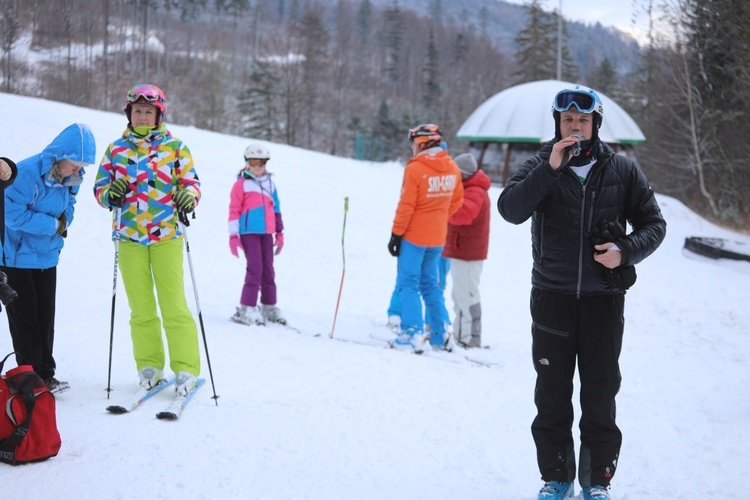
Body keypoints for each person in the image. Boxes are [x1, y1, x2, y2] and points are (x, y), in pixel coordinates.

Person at [497, 85, 666, 500]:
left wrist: (625, 252)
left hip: (603, 301)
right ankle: (556, 478)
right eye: (568, 120)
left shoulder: (622, 170)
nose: (575, 126)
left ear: (595, 125)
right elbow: (510, 210)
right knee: (552, 395)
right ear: (558, 124)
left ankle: (595, 482)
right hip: (551, 296)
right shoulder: (541, 162)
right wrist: (550, 169)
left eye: (583, 120)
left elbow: (654, 225)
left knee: (600, 394)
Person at [93, 83, 202, 397]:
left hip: (166, 235)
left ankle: (185, 371)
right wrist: (108, 194)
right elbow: (101, 188)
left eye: (148, 112)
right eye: (137, 111)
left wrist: (188, 197)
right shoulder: (116, 149)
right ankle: (150, 368)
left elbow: (192, 183)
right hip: (128, 237)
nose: (142, 116)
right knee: (140, 308)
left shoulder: (176, 147)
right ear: (130, 114)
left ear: (158, 114)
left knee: (173, 305)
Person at [3, 124, 96, 394]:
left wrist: (63, 224)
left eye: (83, 166)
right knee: (25, 319)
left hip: (46, 257)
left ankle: (45, 375)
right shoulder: (26, 173)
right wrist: (54, 226)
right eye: (75, 164)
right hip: (15, 258)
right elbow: (11, 215)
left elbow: (70, 208)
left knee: (45, 318)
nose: (78, 170)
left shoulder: (70, 178)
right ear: (59, 155)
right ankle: (28, 379)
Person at [388, 123, 463, 353]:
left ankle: (412, 333)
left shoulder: (415, 169)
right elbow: (456, 202)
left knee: (408, 283)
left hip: (414, 237)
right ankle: (441, 335)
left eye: (413, 145)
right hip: (437, 238)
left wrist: (396, 234)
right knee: (431, 285)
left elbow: (406, 206)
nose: (412, 149)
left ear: (422, 144)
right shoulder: (452, 168)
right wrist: (438, 217)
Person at [228, 142, 286, 326]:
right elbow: (234, 210)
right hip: (249, 233)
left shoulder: (270, 184)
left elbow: (276, 209)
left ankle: (268, 306)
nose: (258, 167)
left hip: (266, 233)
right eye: (254, 162)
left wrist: (280, 233)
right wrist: (233, 237)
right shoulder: (241, 184)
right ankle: (247, 307)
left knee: (268, 270)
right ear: (247, 163)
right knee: (255, 268)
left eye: (262, 162)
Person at [442, 153, 491, 349]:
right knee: (459, 295)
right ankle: (461, 334)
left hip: (468, 254)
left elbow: (463, 215)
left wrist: (442, 206)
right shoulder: (467, 187)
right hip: (462, 250)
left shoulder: (475, 191)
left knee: (467, 296)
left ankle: (470, 338)